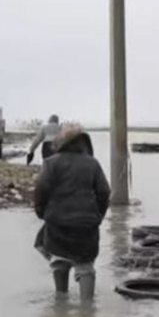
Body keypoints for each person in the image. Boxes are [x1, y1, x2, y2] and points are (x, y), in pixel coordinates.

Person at [33, 124, 111, 300]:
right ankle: (88, 311)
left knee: (59, 262)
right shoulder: (92, 163)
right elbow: (105, 192)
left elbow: (41, 191)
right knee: (85, 267)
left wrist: (42, 213)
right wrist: (98, 216)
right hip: (86, 226)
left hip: (57, 225)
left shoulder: (51, 163)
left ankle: (60, 302)